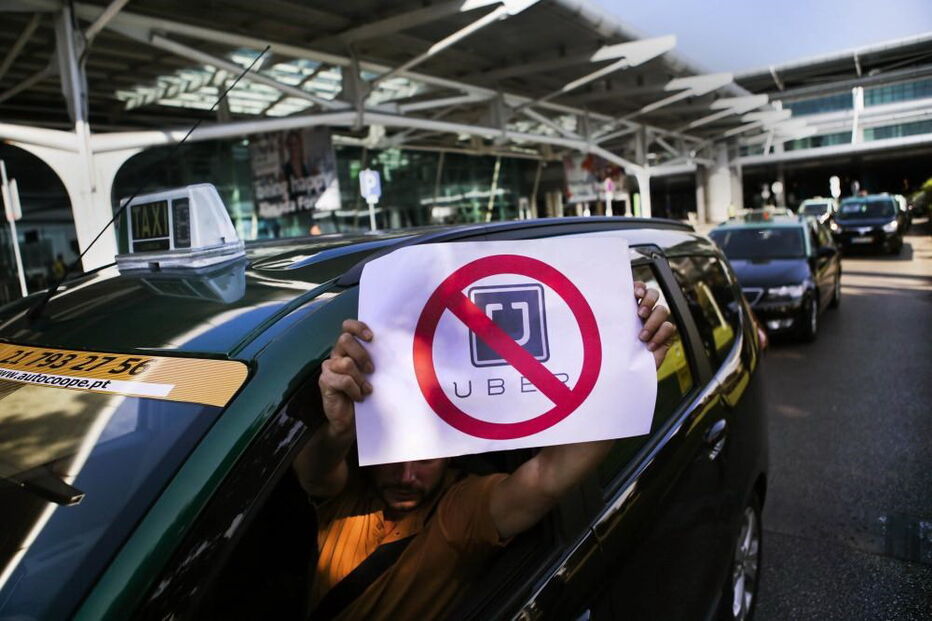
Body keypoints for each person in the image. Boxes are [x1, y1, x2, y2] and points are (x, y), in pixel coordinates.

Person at [293, 283, 675, 619]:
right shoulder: (351, 495)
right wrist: (340, 428)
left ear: (449, 455)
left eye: (425, 459)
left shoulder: (459, 512)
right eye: (394, 459)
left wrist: (627, 377)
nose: (407, 476)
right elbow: (314, 471)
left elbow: (547, 476)